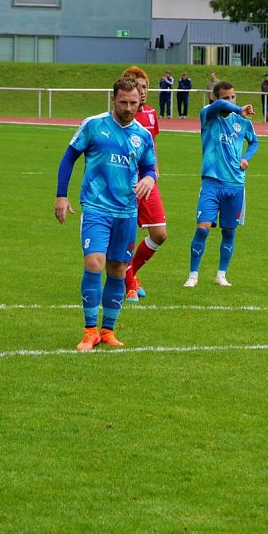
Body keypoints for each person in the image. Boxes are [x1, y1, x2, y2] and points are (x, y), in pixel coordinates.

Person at [54, 77, 157, 351]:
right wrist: (61, 195)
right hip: (96, 207)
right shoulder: (94, 125)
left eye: (134, 103)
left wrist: (149, 179)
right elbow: (69, 157)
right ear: (113, 99)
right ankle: (90, 332)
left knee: (118, 269)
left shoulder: (143, 136)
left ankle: (108, 331)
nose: (128, 107)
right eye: (123, 102)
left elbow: (149, 169)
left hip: (126, 211)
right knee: (94, 264)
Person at [183, 81, 260, 288]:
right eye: (226, 98)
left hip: (235, 184)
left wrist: (246, 157)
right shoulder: (208, 114)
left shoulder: (242, 121)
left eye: (233, 97)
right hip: (211, 182)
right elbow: (219, 108)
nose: (231, 101)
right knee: (203, 228)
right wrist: (236, 108)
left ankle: (221, 274)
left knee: (229, 231)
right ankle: (193, 275)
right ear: (215, 99)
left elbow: (254, 141)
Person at [119, 66, 167, 302]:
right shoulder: (123, 115)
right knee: (126, 233)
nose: (143, 91)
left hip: (148, 181)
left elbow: (152, 142)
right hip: (125, 182)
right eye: (138, 87)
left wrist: (155, 168)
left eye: (145, 86)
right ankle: (128, 284)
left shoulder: (150, 113)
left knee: (159, 233)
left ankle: (132, 273)